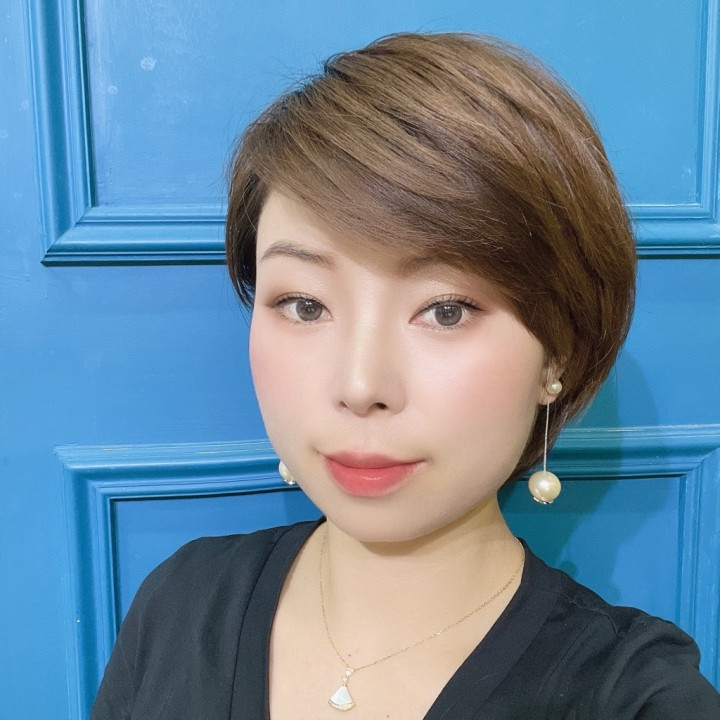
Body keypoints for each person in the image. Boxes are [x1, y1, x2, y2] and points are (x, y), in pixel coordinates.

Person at [91, 32, 720, 719]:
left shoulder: (634, 698)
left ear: (557, 355)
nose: (360, 387)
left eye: (446, 311)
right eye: (304, 305)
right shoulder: (180, 604)